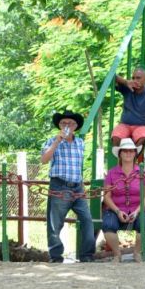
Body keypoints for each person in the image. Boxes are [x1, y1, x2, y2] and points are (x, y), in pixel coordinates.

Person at [41, 110, 96, 264]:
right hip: (59, 184)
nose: (67, 126)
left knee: (87, 220)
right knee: (55, 223)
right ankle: (56, 256)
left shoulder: (80, 143)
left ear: (75, 126)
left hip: (77, 186)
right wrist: (56, 142)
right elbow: (44, 160)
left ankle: (86, 255)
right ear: (59, 125)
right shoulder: (51, 141)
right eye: (64, 123)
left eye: (70, 123)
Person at [102, 138, 145, 264]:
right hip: (115, 209)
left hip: (138, 209)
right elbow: (107, 196)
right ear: (120, 154)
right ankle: (117, 254)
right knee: (108, 225)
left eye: (131, 151)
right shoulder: (112, 173)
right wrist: (118, 211)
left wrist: (137, 211)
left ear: (135, 153)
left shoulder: (142, 173)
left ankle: (136, 253)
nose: (128, 153)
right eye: (125, 151)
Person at [112, 69, 145, 149]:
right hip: (124, 124)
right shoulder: (127, 88)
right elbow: (112, 76)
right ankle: (121, 160)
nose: (135, 80)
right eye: (133, 78)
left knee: (143, 138)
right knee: (116, 137)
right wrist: (126, 82)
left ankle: (133, 159)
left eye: (138, 78)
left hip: (142, 126)